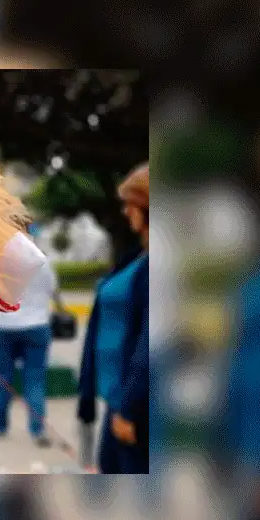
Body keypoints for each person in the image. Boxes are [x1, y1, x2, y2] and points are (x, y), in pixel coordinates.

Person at [77, 163, 150, 474]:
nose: (124, 212)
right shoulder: (135, 256)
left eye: (129, 204)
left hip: (133, 407)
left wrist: (130, 408)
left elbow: (150, 340)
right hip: (116, 399)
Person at [0, 227, 64, 447]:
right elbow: (53, 291)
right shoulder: (42, 260)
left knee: (3, 377)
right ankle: (37, 430)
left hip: (1, 326)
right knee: (35, 380)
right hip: (36, 326)